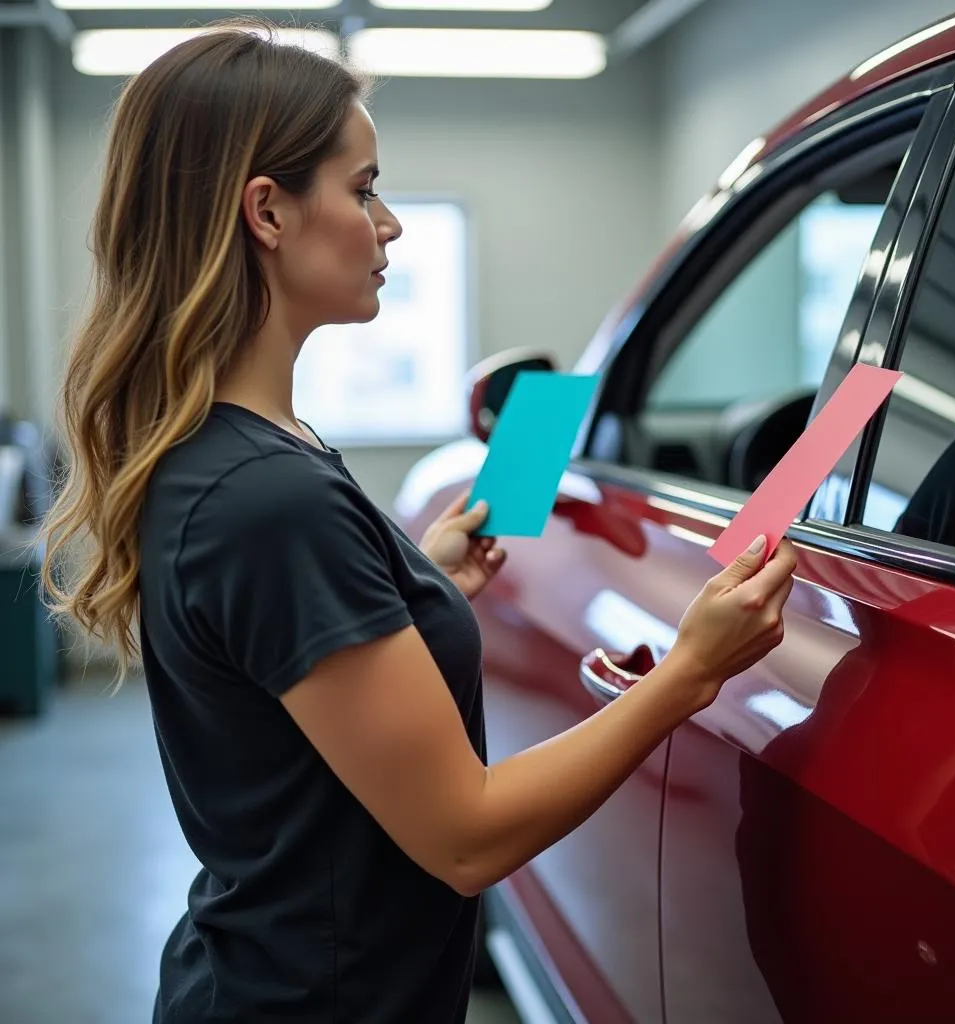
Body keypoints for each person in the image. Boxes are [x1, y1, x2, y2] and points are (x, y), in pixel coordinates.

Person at [39, 23, 797, 1024]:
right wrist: (692, 673)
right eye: (361, 190)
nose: (386, 224)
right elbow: (466, 835)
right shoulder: (270, 499)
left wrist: (417, 580)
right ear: (265, 211)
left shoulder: (258, 450)